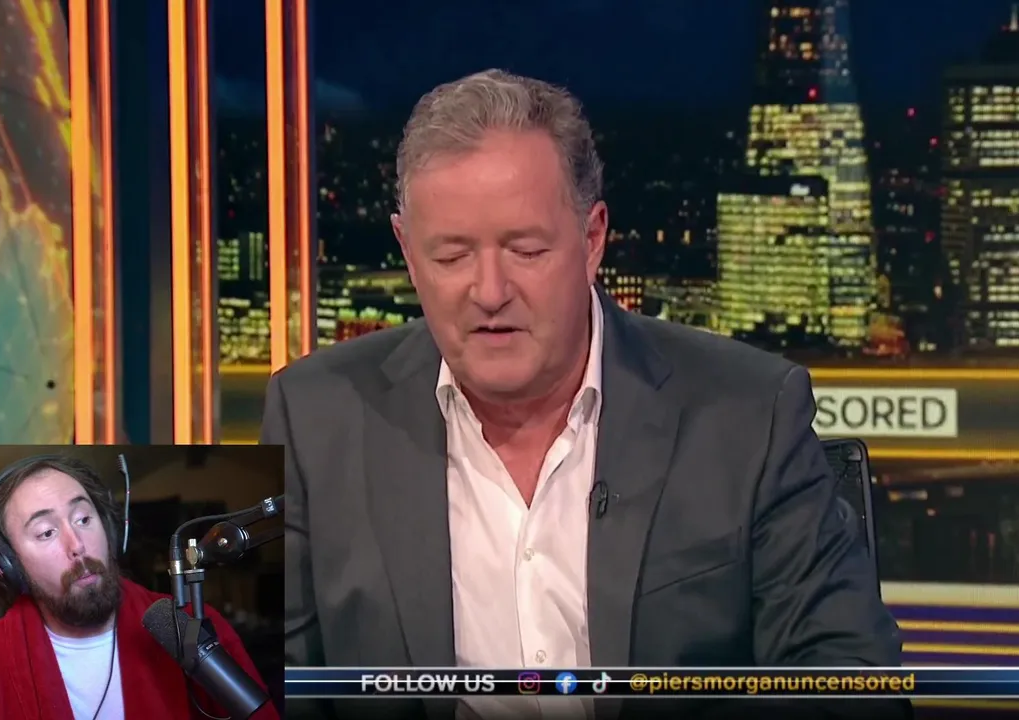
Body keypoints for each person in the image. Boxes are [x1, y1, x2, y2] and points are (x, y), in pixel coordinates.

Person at [265, 69, 907, 719]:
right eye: (452, 256)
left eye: (526, 250)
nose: (490, 292)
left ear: (593, 238)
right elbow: (266, 688)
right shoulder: (314, 417)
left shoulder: (748, 413)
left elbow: (853, 689)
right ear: (407, 251)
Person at [0, 456, 280, 720]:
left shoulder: (193, 627)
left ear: (108, 528)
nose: (77, 544)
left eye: (83, 518)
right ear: (10, 565)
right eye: (46, 532)